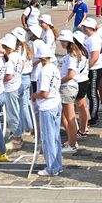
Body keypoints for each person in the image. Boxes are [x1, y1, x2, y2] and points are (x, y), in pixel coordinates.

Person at [31, 43, 63, 177]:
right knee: (55, 137)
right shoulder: (54, 68)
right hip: (56, 103)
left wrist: (34, 96)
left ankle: (52, 167)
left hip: (47, 106)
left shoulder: (45, 71)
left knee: (48, 138)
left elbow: (44, 93)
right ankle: (57, 164)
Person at [58, 30, 82, 154]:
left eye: (64, 41)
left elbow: (71, 75)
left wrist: (59, 81)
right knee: (65, 117)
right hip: (68, 86)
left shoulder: (71, 56)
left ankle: (72, 144)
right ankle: (71, 140)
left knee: (70, 117)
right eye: (61, 41)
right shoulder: (71, 54)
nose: (62, 43)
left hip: (68, 87)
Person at [82, 17, 102, 126]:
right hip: (94, 67)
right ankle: (93, 114)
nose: (83, 28)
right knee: (91, 92)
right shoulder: (91, 37)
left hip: (94, 68)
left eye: (85, 27)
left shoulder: (93, 39)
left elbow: (95, 56)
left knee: (92, 92)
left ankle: (94, 116)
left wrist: (86, 68)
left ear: (90, 28)